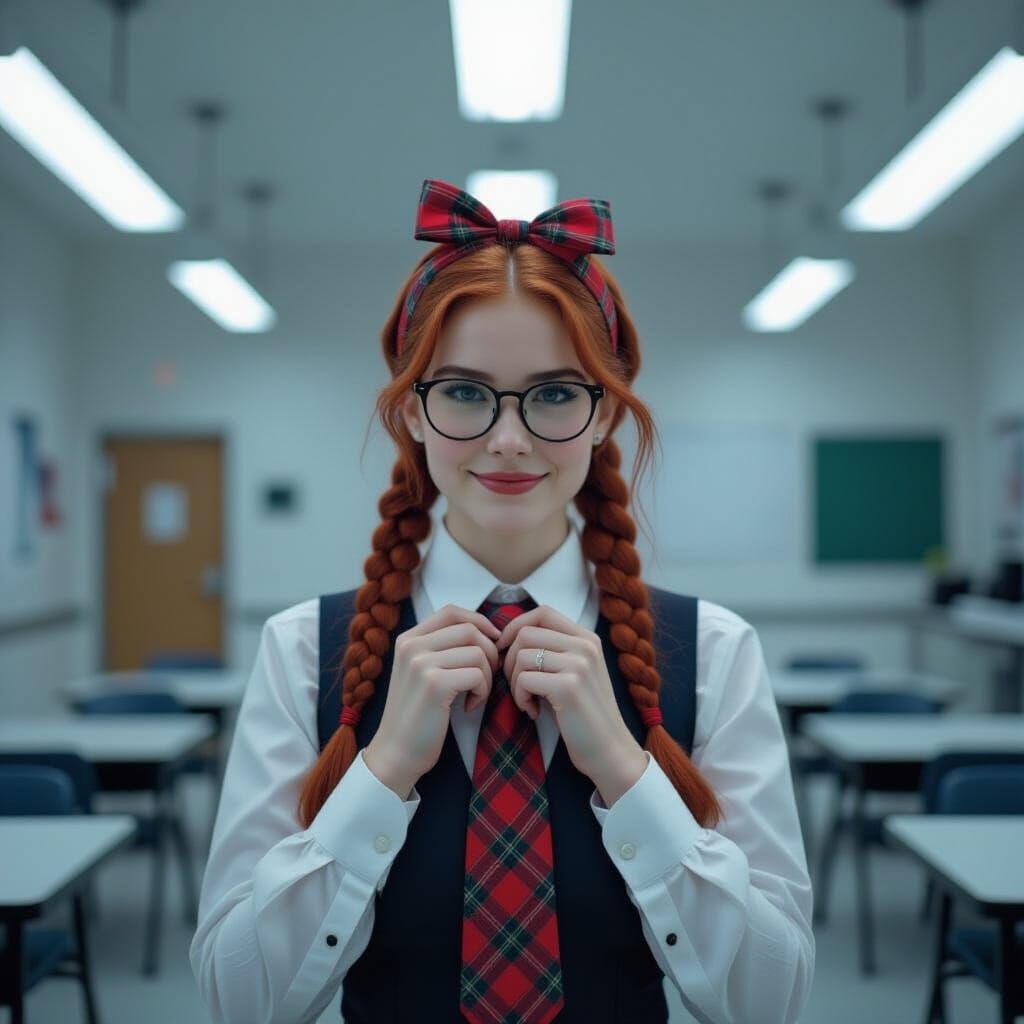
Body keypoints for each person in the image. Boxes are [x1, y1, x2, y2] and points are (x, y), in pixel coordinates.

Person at [190, 178, 814, 1024]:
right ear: (413, 410)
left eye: (556, 394)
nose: (510, 438)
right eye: (464, 393)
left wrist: (628, 775)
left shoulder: (714, 650)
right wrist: (381, 774)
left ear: (603, 417)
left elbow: (772, 1000)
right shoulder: (304, 650)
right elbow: (236, 1003)